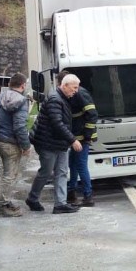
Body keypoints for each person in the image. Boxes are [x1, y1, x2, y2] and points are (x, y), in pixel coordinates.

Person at [26, 73, 82, 214]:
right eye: (74, 88)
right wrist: (73, 140)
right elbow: (57, 123)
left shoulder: (64, 98)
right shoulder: (55, 99)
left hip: (60, 142)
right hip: (47, 143)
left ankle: (60, 204)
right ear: (65, 86)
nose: (76, 91)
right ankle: (32, 198)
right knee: (46, 172)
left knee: (62, 172)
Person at [0, 72, 31, 217]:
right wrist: (26, 146)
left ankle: (6, 202)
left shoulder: (0, 98)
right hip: (11, 142)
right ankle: (3, 206)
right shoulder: (22, 101)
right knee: (10, 175)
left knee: (7, 174)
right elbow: (20, 126)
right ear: (23, 85)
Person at [58, 70, 98, 207]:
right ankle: (71, 192)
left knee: (80, 165)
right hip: (76, 136)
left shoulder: (80, 93)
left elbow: (92, 114)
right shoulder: (72, 94)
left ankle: (88, 196)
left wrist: (87, 135)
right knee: (73, 164)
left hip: (82, 137)